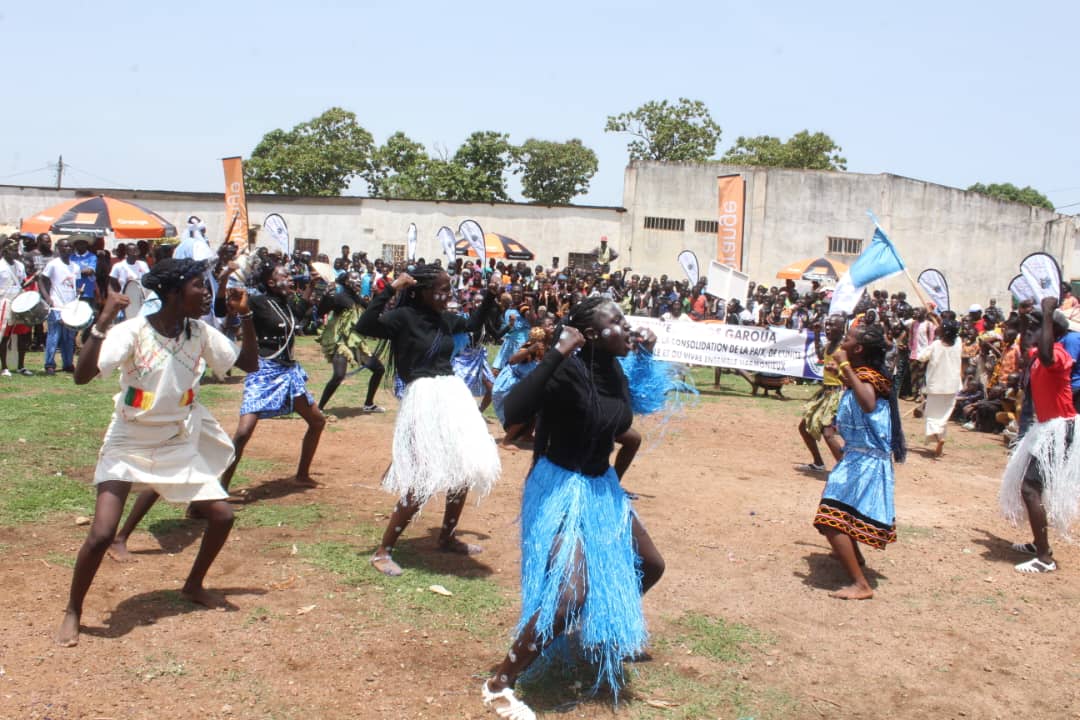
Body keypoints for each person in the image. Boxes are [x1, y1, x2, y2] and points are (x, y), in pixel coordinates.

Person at [55, 258, 259, 647]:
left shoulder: (199, 333)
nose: (206, 293)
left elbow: (248, 364)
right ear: (171, 291)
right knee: (100, 535)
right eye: (199, 286)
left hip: (174, 441)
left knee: (222, 515)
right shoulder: (132, 331)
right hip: (127, 440)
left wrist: (244, 316)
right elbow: (82, 376)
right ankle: (73, 611)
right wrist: (103, 320)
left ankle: (193, 585)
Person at [482, 297, 667, 719]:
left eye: (624, 320)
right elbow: (514, 409)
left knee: (650, 566)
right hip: (559, 486)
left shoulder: (613, 370)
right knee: (568, 596)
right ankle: (500, 682)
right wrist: (558, 352)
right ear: (591, 335)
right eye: (616, 322)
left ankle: (586, 630)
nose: (626, 327)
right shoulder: (565, 369)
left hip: (600, 487)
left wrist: (647, 354)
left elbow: (638, 406)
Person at [358, 264, 501, 576]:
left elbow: (474, 324)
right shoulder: (402, 317)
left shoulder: (445, 319)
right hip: (422, 398)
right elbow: (366, 324)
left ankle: (447, 537)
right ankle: (384, 551)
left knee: (464, 468)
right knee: (422, 475)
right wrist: (390, 288)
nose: (447, 295)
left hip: (452, 393)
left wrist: (490, 297)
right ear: (421, 290)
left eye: (449, 289)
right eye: (441, 289)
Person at [812, 323, 903, 600]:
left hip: (867, 462)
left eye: (848, 339)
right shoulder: (863, 375)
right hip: (858, 457)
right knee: (842, 513)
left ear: (858, 349)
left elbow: (868, 404)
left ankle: (861, 585)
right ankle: (856, 559)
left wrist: (844, 368)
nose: (843, 342)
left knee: (830, 518)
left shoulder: (869, 376)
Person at [218, 261, 327, 491]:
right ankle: (219, 488)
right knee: (243, 432)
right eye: (284, 275)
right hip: (264, 371)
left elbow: (300, 310)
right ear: (270, 282)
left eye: (289, 275)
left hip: (288, 373)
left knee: (317, 421)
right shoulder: (256, 302)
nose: (289, 278)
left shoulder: (285, 304)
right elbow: (222, 309)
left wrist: (313, 284)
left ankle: (302, 475)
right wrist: (224, 281)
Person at [998, 299, 1080, 574]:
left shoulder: (1058, 354)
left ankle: (1045, 557)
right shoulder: (1037, 352)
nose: (1031, 333)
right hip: (1044, 428)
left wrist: (1046, 313)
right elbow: (1026, 350)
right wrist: (1023, 319)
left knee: (1030, 489)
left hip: (1059, 429)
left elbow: (1044, 353)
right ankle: (1038, 543)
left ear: (1051, 331)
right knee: (1032, 487)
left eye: (1037, 328)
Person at [317, 270, 386, 413]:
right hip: (341, 343)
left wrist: (378, 295)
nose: (358, 281)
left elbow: (370, 310)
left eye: (359, 278)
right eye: (354, 278)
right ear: (346, 282)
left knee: (378, 369)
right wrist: (325, 297)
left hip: (355, 342)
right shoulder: (339, 297)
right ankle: (319, 408)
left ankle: (369, 404)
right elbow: (320, 312)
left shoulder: (356, 298)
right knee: (339, 375)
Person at [798, 315, 846, 472]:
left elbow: (852, 372)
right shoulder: (830, 344)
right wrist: (817, 335)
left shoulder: (844, 347)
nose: (828, 328)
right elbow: (820, 355)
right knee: (804, 427)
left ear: (841, 327)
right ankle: (818, 463)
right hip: (825, 392)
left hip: (839, 394)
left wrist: (838, 372)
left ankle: (845, 470)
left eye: (832, 325)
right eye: (827, 325)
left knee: (828, 433)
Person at [918, 317, 962, 456]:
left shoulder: (936, 345)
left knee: (932, 415)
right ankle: (940, 441)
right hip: (952, 385)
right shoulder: (958, 343)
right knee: (943, 416)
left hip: (936, 386)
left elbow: (921, 357)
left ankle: (939, 438)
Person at [38, 238, 79, 375]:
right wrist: (47, 298)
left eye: (69, 246)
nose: (67, 249)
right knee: (54, 335)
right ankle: (49, 364)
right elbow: (42, 280)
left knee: (69, 337)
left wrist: (79, 292)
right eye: (64, 246)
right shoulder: (53, 264)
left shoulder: (75, 266)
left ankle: (68, 363)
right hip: (56, 305)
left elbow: (73, 285)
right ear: (59, 249)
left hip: (70, 306)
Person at [0, 239, 33, 376]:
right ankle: (5, 367)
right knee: (5, 336)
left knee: (23, 334)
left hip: (19, 302)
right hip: (4, 303)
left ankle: (21, 366)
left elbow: (22, 284)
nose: (15, 253)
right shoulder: (1, 266)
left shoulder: (20, 265)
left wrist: (33, 279)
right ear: (5, 250)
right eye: (12, 250)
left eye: (16, 250)